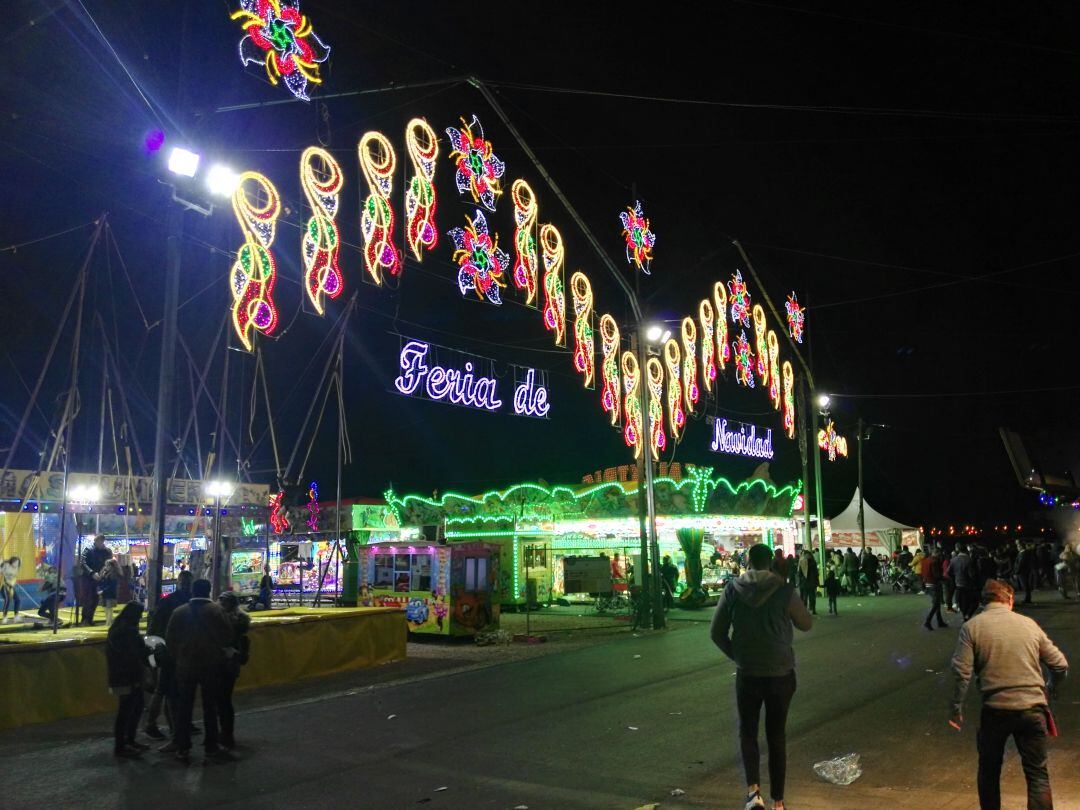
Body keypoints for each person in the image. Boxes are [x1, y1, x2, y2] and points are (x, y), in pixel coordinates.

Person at [711, 543, 813, 810]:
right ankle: (778, 802)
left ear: (748, 562)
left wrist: (738, 655)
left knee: (748, 733)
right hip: (780, 673)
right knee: (776, 735)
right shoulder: (784, 590)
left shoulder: (732, 589)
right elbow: (806, 624)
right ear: (770, 563)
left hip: (748, 673)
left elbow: (716, 633)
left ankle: (753, 794)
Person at [950, 580, 1068, 810]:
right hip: (1032, 710)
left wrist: (956, 708)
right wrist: (1051, 686)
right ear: (1010, 599)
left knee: (989, 771)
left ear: (984, 602)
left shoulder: (972, 627)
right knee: (1037, 774)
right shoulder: (1029, 625)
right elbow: (1060, 664)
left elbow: (961, 673)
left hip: (995, 710)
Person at [165, 578, 233, 761]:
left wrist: (180, 656)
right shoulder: (217, 611)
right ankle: (211, 745)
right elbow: (227, 636)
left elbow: (170, 640)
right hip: (210, 665)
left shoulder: (179, 612)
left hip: (185, 666)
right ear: (208, 591)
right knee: (210, 707)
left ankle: (182, 746)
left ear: (192, 591)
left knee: (184, 706)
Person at [145, 570, 193, 741]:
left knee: (170, 690)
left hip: (173, 650)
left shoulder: (174, 601)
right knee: (166, 690)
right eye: (184, 583)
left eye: (186, 583)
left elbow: (154, 627)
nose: (185, 586)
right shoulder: (181, 602)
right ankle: (156, 724)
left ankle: (174, 724)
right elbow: (155, 627)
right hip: (171, 651)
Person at [105, 601, 149, 757]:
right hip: (127, 676)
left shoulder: (118, 628)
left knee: (132, 707)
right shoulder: (127, 631)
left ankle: (127, 741)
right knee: (128, 709)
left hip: (120, 675)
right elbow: (133, 654)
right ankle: (122, 745)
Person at [217, 591, 251, 749]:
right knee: (222, 699)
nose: (222, 604)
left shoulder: (233, 621)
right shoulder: (238, 619)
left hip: (227, 663)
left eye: (225, 602)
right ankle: (225, 732)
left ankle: (226, 733)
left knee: (223, 699)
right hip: (228, 663)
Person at [80, 535, 113, 625]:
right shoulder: (88, 550)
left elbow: (109, 564)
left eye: (102, 541)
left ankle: (90, 619)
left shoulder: (107, 551)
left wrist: (103, 573)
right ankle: (85, 619)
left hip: (100, 577)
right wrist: (91, 573)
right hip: (88, 578)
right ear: (95, 541)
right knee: (87, 598)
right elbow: (82, 563)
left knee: (95, 599)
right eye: (99, 541)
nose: (100, 543)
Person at [921, 547, 948, 630]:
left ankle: (940, 621)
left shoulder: (925, 560)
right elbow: (937, 575)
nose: (940, 555)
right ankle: (928, 621)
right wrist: (945, 578)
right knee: (936, 604)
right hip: (934, 584)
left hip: (927, 583)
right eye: (939, 554)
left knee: (937, 603)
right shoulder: (934, 562)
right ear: (936, 553)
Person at [949, 543, 977, 621]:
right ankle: (967, 616)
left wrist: (955, 579)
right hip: (968, 585)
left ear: (957, 549)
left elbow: (949, 572)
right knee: (971, 602)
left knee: (962, 603)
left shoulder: (953, 560)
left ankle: (965, 617)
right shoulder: (969, 560)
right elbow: (972, 574)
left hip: (958, 584)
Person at [99, 558, 121, 626]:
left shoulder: (113, 574)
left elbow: (112, 586)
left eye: (108, 565)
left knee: (109, 608)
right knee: (105, 608)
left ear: (112, 566)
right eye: (106, 565)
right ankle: (108, 622)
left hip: (110, 593)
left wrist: (103, 591)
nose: (106, 567)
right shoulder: (104, 573)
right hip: (105, 593)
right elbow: (102, 582)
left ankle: (109, 623)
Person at [797, 549, 818, 615]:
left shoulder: (802, 561)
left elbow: (799, 573)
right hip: (811, 582)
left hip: (805, 582)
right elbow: (816, 573)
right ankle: (813, 610)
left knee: (805, 597)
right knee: (812, 597)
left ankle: (805, 610)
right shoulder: (813, 562)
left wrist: (800, 580)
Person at [1, 556, 21, 622]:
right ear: (11, 562)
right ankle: (4, 617)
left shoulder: (17, 569)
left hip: (11, 586)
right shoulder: (6, 565)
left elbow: (14, 578)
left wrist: (12, 584)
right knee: (7, 600)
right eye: (15, 562)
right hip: (4, 586)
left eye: (17, 563)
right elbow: (1, 570)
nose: (16, 564)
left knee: (17, 599)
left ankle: (16, 616)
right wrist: (1, 563)